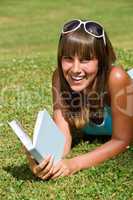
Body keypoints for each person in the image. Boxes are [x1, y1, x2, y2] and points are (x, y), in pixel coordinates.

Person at [26, 19, 133, 180]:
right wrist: (40, 159)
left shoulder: (116, 79)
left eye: (85, 60)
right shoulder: (60, 78)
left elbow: (122, 140)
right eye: (68, 58)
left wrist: (73, 164)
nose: (75, 69)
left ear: (101, 61)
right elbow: (62, 135)